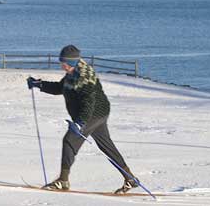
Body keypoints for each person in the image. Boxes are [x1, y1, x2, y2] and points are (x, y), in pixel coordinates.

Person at [27, 44, 139, 194]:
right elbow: (60, 88)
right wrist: (39, 84)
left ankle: (63, 180)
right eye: (61, 62)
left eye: (64, 62)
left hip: (93, 113)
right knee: (106, 146)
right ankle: (130, 178)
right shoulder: (72, 74)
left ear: (72, 63)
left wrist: (80, 123)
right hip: (96, 113)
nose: (62, 65)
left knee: (69, 140)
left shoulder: (85, 77)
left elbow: (89, 102)